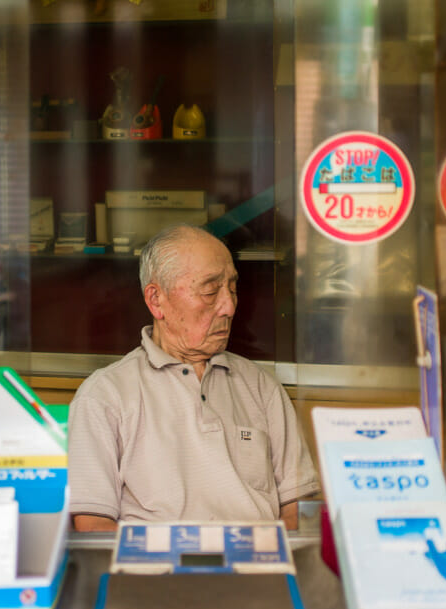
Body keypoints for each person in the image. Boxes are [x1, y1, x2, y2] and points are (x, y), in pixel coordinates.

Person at [68, 224, 319, 531]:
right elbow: (92, 523)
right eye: (211, 291)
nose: (228, 306)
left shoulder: (260, 386)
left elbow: (298, 505)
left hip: (256, 567)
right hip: (153, 572)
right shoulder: (105, 394)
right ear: (156, 300)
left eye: (232, 288)